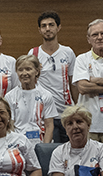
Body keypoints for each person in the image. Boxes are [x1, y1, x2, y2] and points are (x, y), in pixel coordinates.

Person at [30, 11, 75, 143]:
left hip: (66, 112)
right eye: (44, 26)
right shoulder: (34, 53)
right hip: (46, 114)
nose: (47, 29)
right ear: (39, 30)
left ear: (58, 27)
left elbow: (73, 82)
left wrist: (77, 106)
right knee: (50, 151)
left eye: (51, 25)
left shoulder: (68, 52)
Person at [4, 55, 56, 143]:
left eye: (28, 69)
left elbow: (49, 125)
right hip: (18, 143)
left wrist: (44, 148)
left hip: (40, 142)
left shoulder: (46, 95)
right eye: (20, 70)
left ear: (36, 71)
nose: (24, 73)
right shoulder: (10, 96)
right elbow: (10, 125)